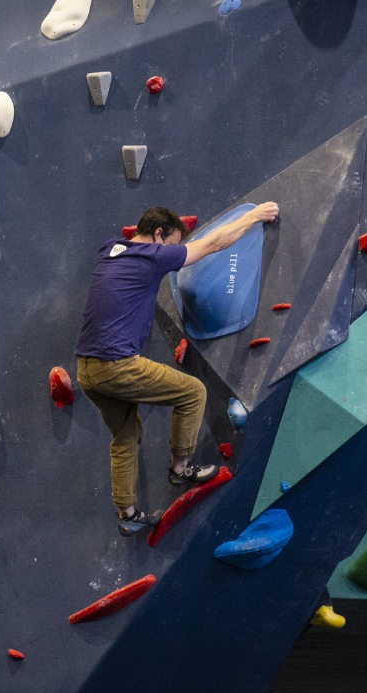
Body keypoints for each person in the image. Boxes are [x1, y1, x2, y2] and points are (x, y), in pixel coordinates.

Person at [75, 202, 279, 536]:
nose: (174, 255)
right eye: (173, 242)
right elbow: (213, 244)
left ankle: (127, 514)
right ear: (158, 235)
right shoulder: (155, 255)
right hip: (116, 365)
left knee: (124, 436)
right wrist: (254, 216)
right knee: (192, 392)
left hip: (87, 369)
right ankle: (180, 467)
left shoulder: (110, 250)